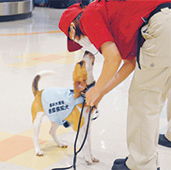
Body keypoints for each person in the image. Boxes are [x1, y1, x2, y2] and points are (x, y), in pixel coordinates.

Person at [59, 1, 171, 170]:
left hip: (161, 26)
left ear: (72, 27)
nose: (78, 41)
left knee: (143, 101)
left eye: (73, 37)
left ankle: (142, 165)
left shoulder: (88, 16)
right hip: (165, 21)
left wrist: (95, 90)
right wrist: (101, 93)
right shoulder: (112, 18)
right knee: (156, 96)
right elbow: (129, 64)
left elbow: (113, 59)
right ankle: (142, 160)